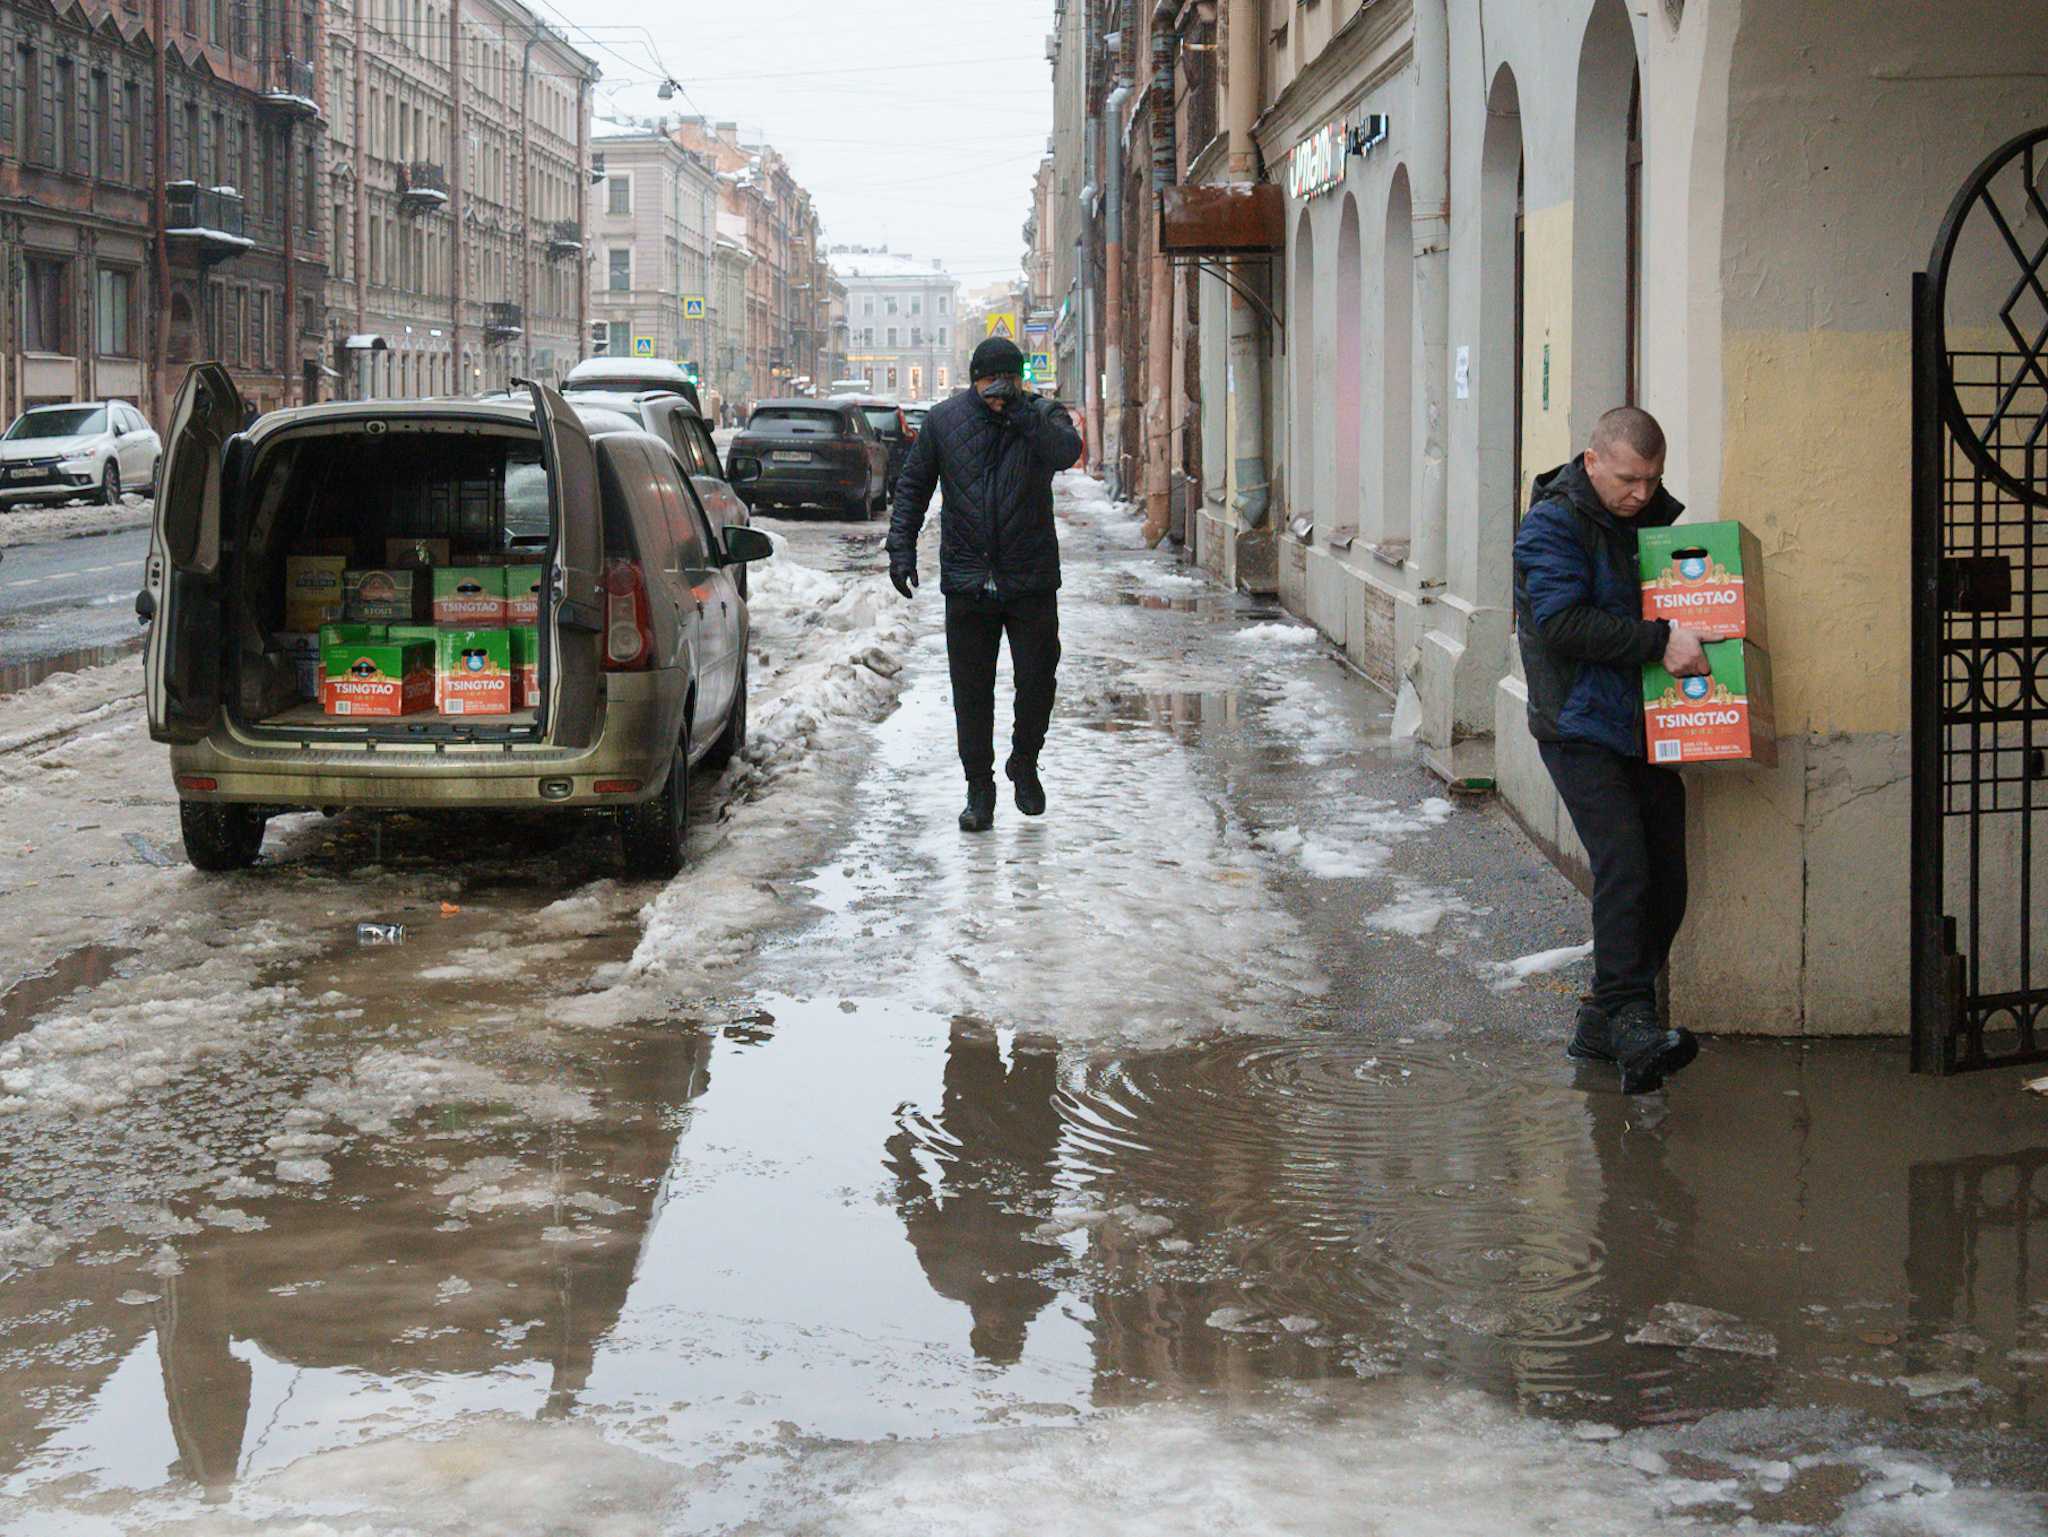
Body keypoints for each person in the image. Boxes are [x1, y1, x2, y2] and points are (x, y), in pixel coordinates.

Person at [1512, 406, 1711, 1094]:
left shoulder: (1645, 524)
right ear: (1592, 462)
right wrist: (1662, 641)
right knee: (1623, 862)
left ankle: (1603, 1019)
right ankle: (1631, 1020)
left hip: (1640, 721)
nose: (1642, 493)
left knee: (1668, 875)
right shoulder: (1551, 526)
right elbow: (1563, 622)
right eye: (1629, 479)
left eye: (1653, 480)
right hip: (1576, 723)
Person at [888, 335, 1083, 832]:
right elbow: (913, 486)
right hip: (968, 579)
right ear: (973, 380)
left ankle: (1024, 763)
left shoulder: (1043, 416)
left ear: (1020, 379)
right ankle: (979, 788)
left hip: (1030, 577)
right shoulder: (944, 420)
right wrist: (901, 549)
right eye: (988, 381)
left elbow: (1067, 452)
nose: (996, 390)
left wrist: (1021, 411)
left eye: (1007, 380)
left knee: (1037, 681)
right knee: (971, 693)